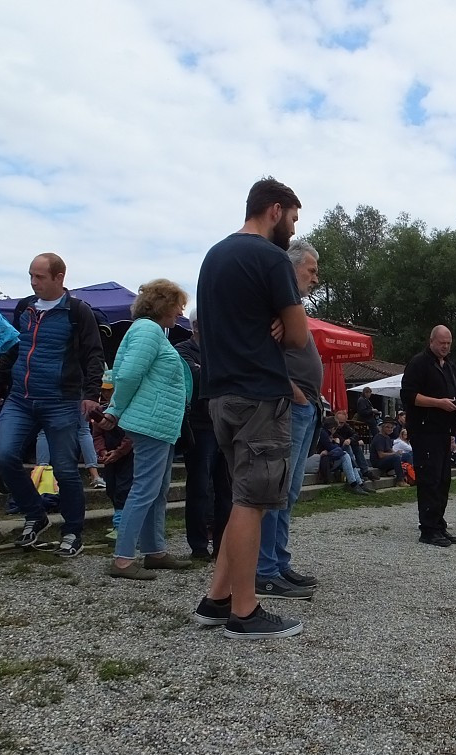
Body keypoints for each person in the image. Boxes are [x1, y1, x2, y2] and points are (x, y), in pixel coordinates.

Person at [191, 176, 309, 641]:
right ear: (275, 210)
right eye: (294, 219)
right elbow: (299, 337)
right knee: (253, 500)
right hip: (260, 392)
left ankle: (217, 599)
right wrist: (283, 321)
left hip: (219, 393)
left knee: (243, 495)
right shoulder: (271, 258)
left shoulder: (214, 256)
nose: (293, 232)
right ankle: (246, 611)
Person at [0, 253, 104, 557]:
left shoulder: (78, 312)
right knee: (3, 456)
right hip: (21, 398)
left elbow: (94, 354)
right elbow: (15, 348)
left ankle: (72, 531)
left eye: (40, 277)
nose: (33, 282)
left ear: (59, 278)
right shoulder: (24, 308)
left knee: (65, 469)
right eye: (31, 275)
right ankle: (35, 513)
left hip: (61, 401)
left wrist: (91, 394)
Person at [99, 280, 194, 580]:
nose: (181, 310)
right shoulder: (148, 330)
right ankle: (123, 559)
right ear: (163, 304)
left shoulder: (149, 332)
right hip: (151, 423)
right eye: (178, 304)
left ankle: (154, 552)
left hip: (161, 425)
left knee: (157, 491)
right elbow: (126, 375)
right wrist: (114, 411)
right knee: (144, 490)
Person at [256, 241, 325, 600]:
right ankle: (265, 569)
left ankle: (279, 563)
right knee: (277, 492)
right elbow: (261, 350)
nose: (315, 277)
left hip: (305, 406)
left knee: (289, 493)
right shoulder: (274, 304)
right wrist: (293, 390)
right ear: (292, 267)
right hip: (291, 405)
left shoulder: (290, 308)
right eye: (311, 270)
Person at [175, 307, 232, 560]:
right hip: (199, 425)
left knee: (226, 489)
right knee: (199, 486)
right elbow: (195, 378)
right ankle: (198, 546)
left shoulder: (221, 351)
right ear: (197, 326)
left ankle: (223, 545)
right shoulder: (183, 350)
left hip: (224, 424)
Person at [400, 325, 456, 548]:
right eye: (441, 343)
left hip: (445, 431)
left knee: (443, 480)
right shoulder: (419, 363)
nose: (445, 346)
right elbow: (407, 395)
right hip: (425, 430)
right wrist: (439, 403)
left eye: (448, 343)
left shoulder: (451, 367)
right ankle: (427, 529)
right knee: (429, 479)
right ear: (431, 341)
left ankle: (438, 524)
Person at [91, 372, 133, 542]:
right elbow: (97, 434)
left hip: (128, 455)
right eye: (103, 390)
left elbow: (130, 435)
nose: (106, 393)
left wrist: (119, 451)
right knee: (112, 488)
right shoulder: (101, 410)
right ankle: (119, 520)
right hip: (109, 456)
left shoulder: (128, 409)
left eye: (109, 390)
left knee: (125, 488)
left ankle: (121, 526)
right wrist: (102, 452)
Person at [370, 418, 408, 485]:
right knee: (396, 457)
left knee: (405, 455)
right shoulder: (379, 438)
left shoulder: (387, 437)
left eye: (391, 427)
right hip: (377, 461)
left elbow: (390, 450)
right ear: (382, 427)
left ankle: (408, 475)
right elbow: (381, 455)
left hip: (385, 460)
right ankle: (400, 480)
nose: (390, 429)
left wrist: (398, 453)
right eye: (387, 427)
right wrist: (395, 454)